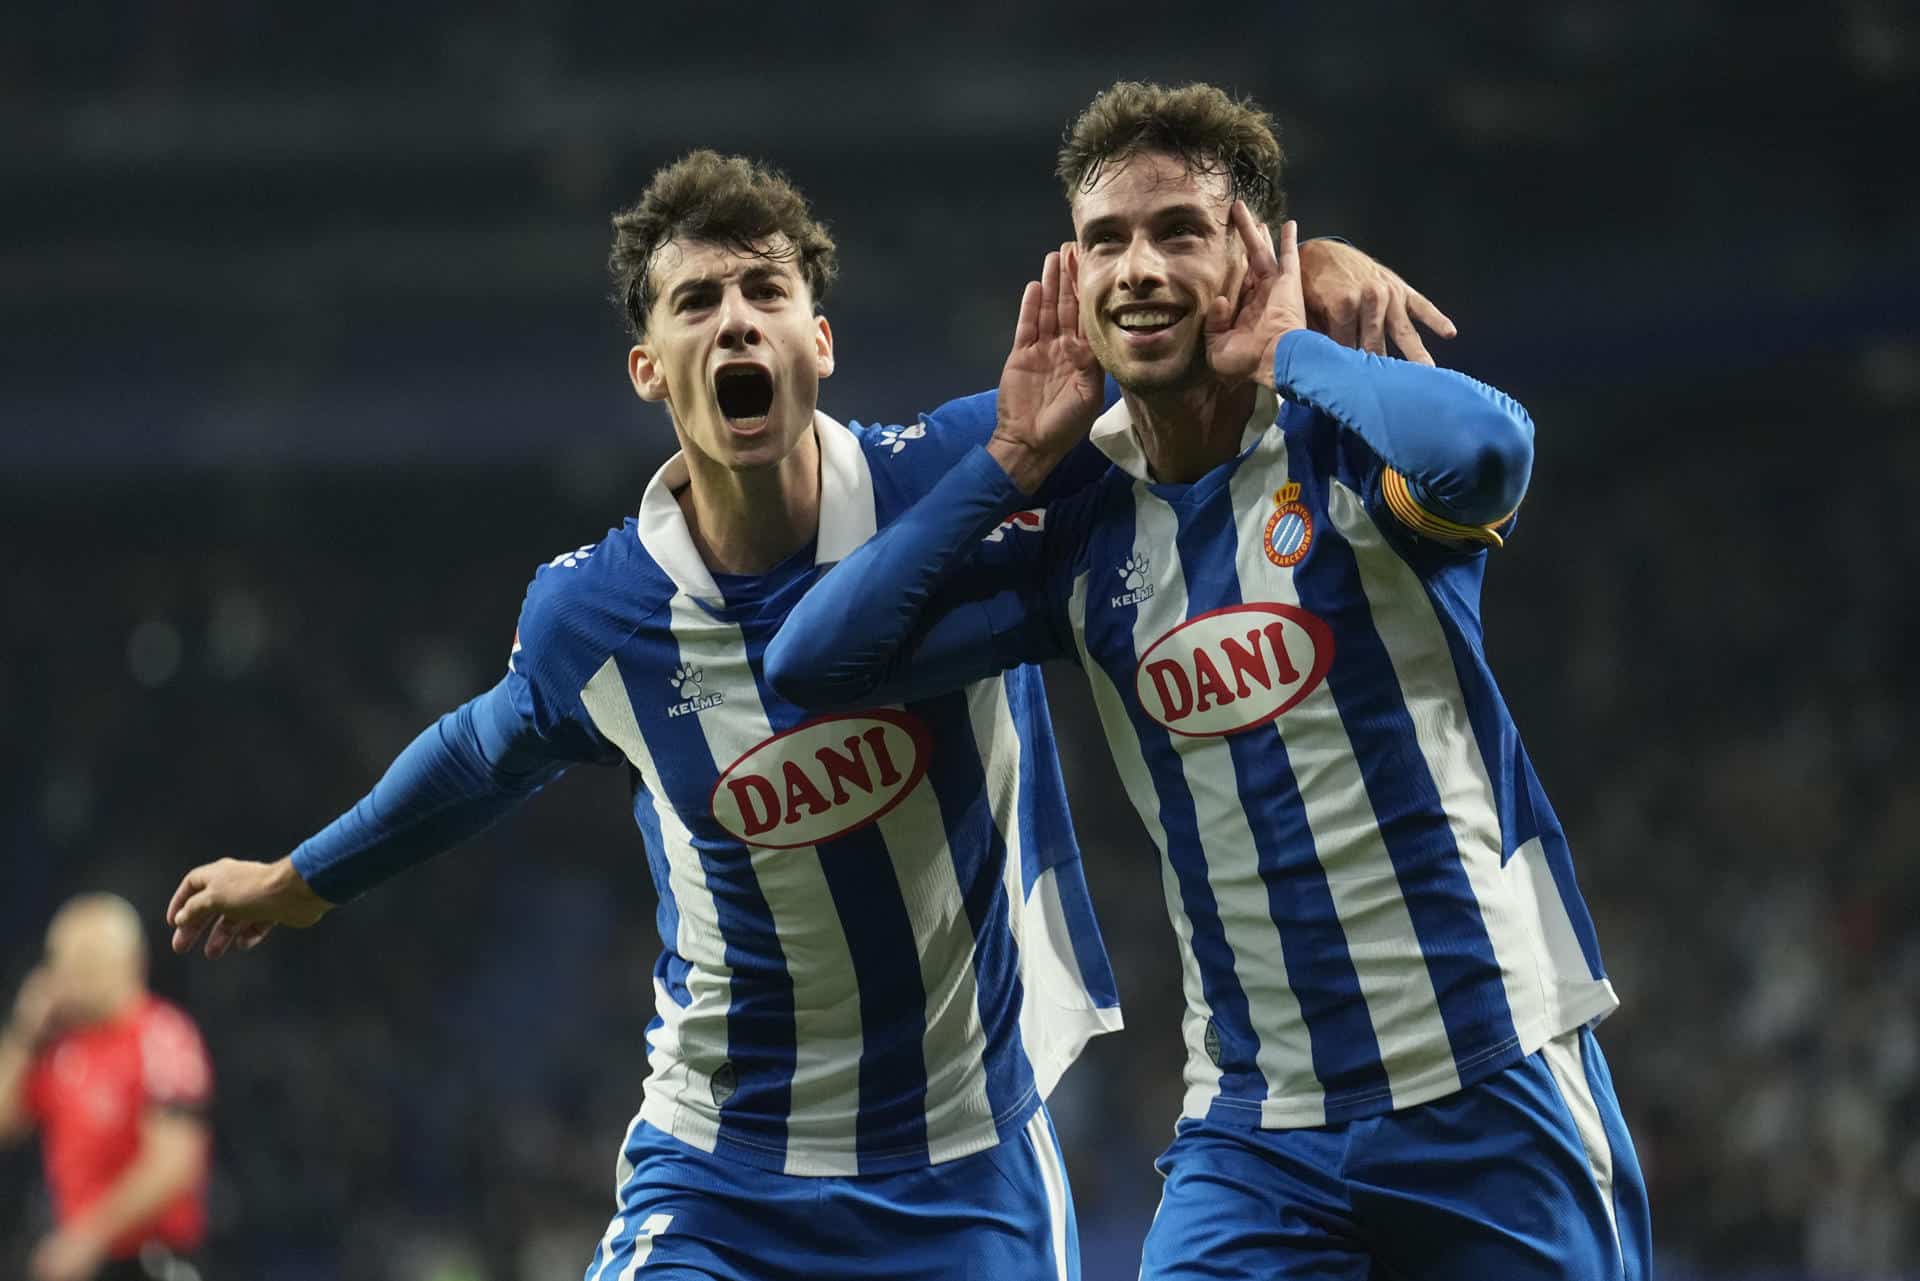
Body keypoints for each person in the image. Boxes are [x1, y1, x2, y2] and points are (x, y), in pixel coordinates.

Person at [163, 150, 1455, 1280]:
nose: (736, 323)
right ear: (647, 365)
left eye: (765, 292)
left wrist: (1290, 281)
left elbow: (1171, 391)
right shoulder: (596, 613)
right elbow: (488, 748)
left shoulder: (966, 470)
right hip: (723, 1177)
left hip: (966, 1169)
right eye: (697, 302)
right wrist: (302, 876)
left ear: (819, 340)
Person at [765, 81, 1652, 1280]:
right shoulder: (1080, 523)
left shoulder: (1342, 444)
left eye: (1179, 230)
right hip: (1256, 1133)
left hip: (1488, 1077)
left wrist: (1289, 346)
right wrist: (1012, 459)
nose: (1137, 267)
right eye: (1106, 241)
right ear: (1073, 281)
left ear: (1250, 255)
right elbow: (816, 664)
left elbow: (1489, 452)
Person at [1, 895, 212, 1281]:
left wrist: (90, 1236)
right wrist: (23, 1035)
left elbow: (175, 1161)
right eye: (62, 962)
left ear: (128, 963)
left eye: (86, 962)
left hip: (148, 1261)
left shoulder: (162, 1036)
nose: (69, 977)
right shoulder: (57, 1046)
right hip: (78, 1259)